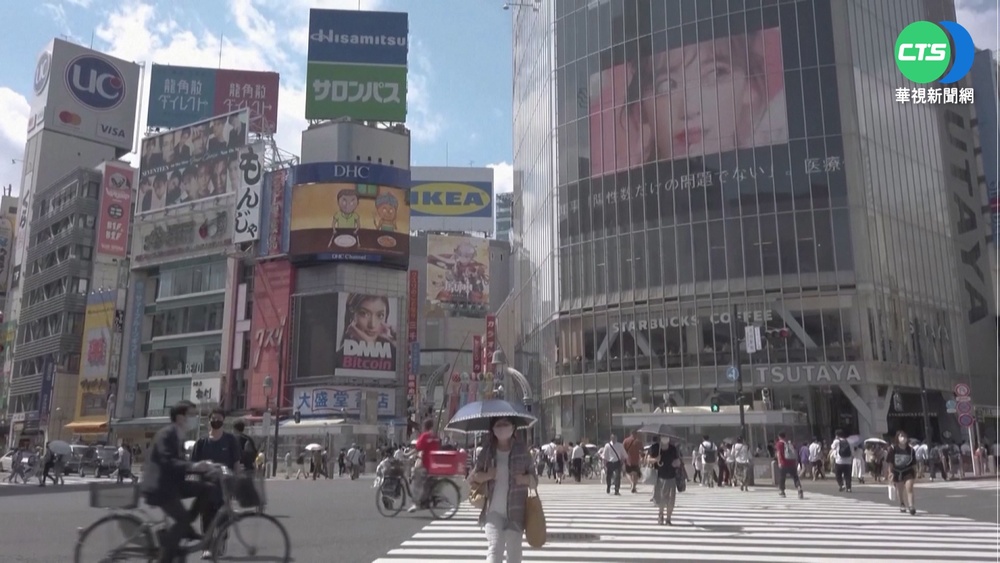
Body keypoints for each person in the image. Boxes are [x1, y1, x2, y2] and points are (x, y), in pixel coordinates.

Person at [140, 401, 215, 563]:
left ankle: (185, 528)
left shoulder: (178, 434)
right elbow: (168, 462)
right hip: (159, 487)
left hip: (171, 484)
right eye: (192, 415)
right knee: (181, 520)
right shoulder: (167, 434)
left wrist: (202, 471)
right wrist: (194, 466)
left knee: (207, 488)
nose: (194, 418)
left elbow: (179, 467)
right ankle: (165, 557)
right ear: (180, 417)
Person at [468, 417, 537, 563]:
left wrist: (524, 479)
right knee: (495, 548)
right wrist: (488, 475)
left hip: (516, 511)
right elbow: (473, 478)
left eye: (506, 424)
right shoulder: (487, 451)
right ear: (493, 429)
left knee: (514, 553)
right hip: (493, 511)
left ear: (513, 427)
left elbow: (534, 481)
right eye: (498, 425)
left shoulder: (522, 450)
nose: (502, 427)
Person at [190, 408, 240, 559]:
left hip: (224, 488)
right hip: (205, 488)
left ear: (223, 421)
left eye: (219, 419)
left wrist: (235, 483)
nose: (216, 421)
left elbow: (236, 464)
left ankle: (221, 540)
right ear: (209, 421)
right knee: (206, 519)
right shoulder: (201, 443)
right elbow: (193, 465)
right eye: (213, 419)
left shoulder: (230, 440)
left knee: (223, 519)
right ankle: (208, 547)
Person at [647, 434, 683, 525]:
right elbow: (648, 460)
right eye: (663, 437)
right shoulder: (655, 447)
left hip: (671, 476)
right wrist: (655, 459)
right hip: (660, 477)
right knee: (662, 499)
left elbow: (677, 460)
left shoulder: (672, 448)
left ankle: (668, 518)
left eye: (667, 437)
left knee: (671, 499)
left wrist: (677, 463)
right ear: (660, 438)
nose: (665, 439)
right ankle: (660, 515)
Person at [409, 419, 441, 512]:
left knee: (415, 479)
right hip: (435, 464)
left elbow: (417, 448)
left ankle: (415, 503)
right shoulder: (435, 436)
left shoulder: (425, 436)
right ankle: (426, 500)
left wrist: (406, 455)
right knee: (426, 483)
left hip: (426, 464)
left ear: (424, 427)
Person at [887, 430, 918, 515]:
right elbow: (890, 462)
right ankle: (902, 503)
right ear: (897, 438)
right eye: (901, 436)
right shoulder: (893, 449)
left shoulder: (911, 450)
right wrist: (890, 473)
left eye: (905, 436)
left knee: (909, 488)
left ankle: (911, 506)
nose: (903, 438)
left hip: (908, 471)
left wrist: (916, 472)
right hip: (897, 471)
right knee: (900, 489)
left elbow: (914, 463)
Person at [775, 432, 804, 499]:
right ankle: (799, 488)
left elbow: (778, 453)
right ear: (785, 437)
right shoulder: (789, 444)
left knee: (782, 478)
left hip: (783, 463)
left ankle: (782, 491)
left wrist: (779, 462)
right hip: (792, 463)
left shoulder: (779, 444)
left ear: (779, 437)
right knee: (795, 477)